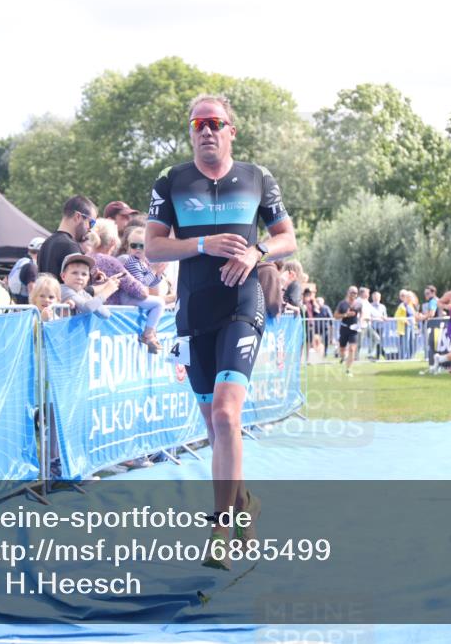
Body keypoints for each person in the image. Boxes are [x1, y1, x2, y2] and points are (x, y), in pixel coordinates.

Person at [145, 94, 296, 570]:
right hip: (193, 311)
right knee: (214, 425)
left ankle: (220, 529)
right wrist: (204, 243)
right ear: (191, 132)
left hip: (241, 305)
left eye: (216, 123)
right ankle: (244, 501)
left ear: (232, 130)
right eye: (198, 123)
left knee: (229, 416)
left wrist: (257, 253)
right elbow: (152, 249)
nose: (207, 130)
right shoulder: (171, 181)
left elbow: (288, 237)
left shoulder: (257, 178)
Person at [113, 224, 166, 353]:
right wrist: (153, 271)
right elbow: (141, 286)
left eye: (141, 246)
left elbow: (151, 284)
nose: (137, 249)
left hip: (135, 298)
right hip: (128, 297)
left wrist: (158, 273)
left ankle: (150, 332)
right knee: (159, 303)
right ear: (128, 246)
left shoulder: (143, 263)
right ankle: (148, 334)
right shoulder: (129, 260)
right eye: (134, 245)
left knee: (159, 302)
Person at [38, 195, 97, 279]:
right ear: (77, 217)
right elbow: (77, 290)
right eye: (91, 223)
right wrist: (106, 287)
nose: (90, 229)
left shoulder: (46, 243)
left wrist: (91, 277)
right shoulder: (70, 246)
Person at [8, 237, 44, 304]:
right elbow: (32, 289)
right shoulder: (32, 267)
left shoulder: (20, 262)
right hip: (24, 306)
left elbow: (6, 280)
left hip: (14, 303)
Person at [335, 286, 362, 375]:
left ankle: (348, 369)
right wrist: (346, 315)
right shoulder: (342, 304)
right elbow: (335, 316)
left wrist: (360, 322)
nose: (354, 294)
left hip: (354, 329)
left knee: (352, 349)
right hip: (344, 328)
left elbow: (362, 314)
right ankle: (343, 357)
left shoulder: (358, 304)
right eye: (352, 292)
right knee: (342, 349)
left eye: (355, 293)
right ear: (348, 292)